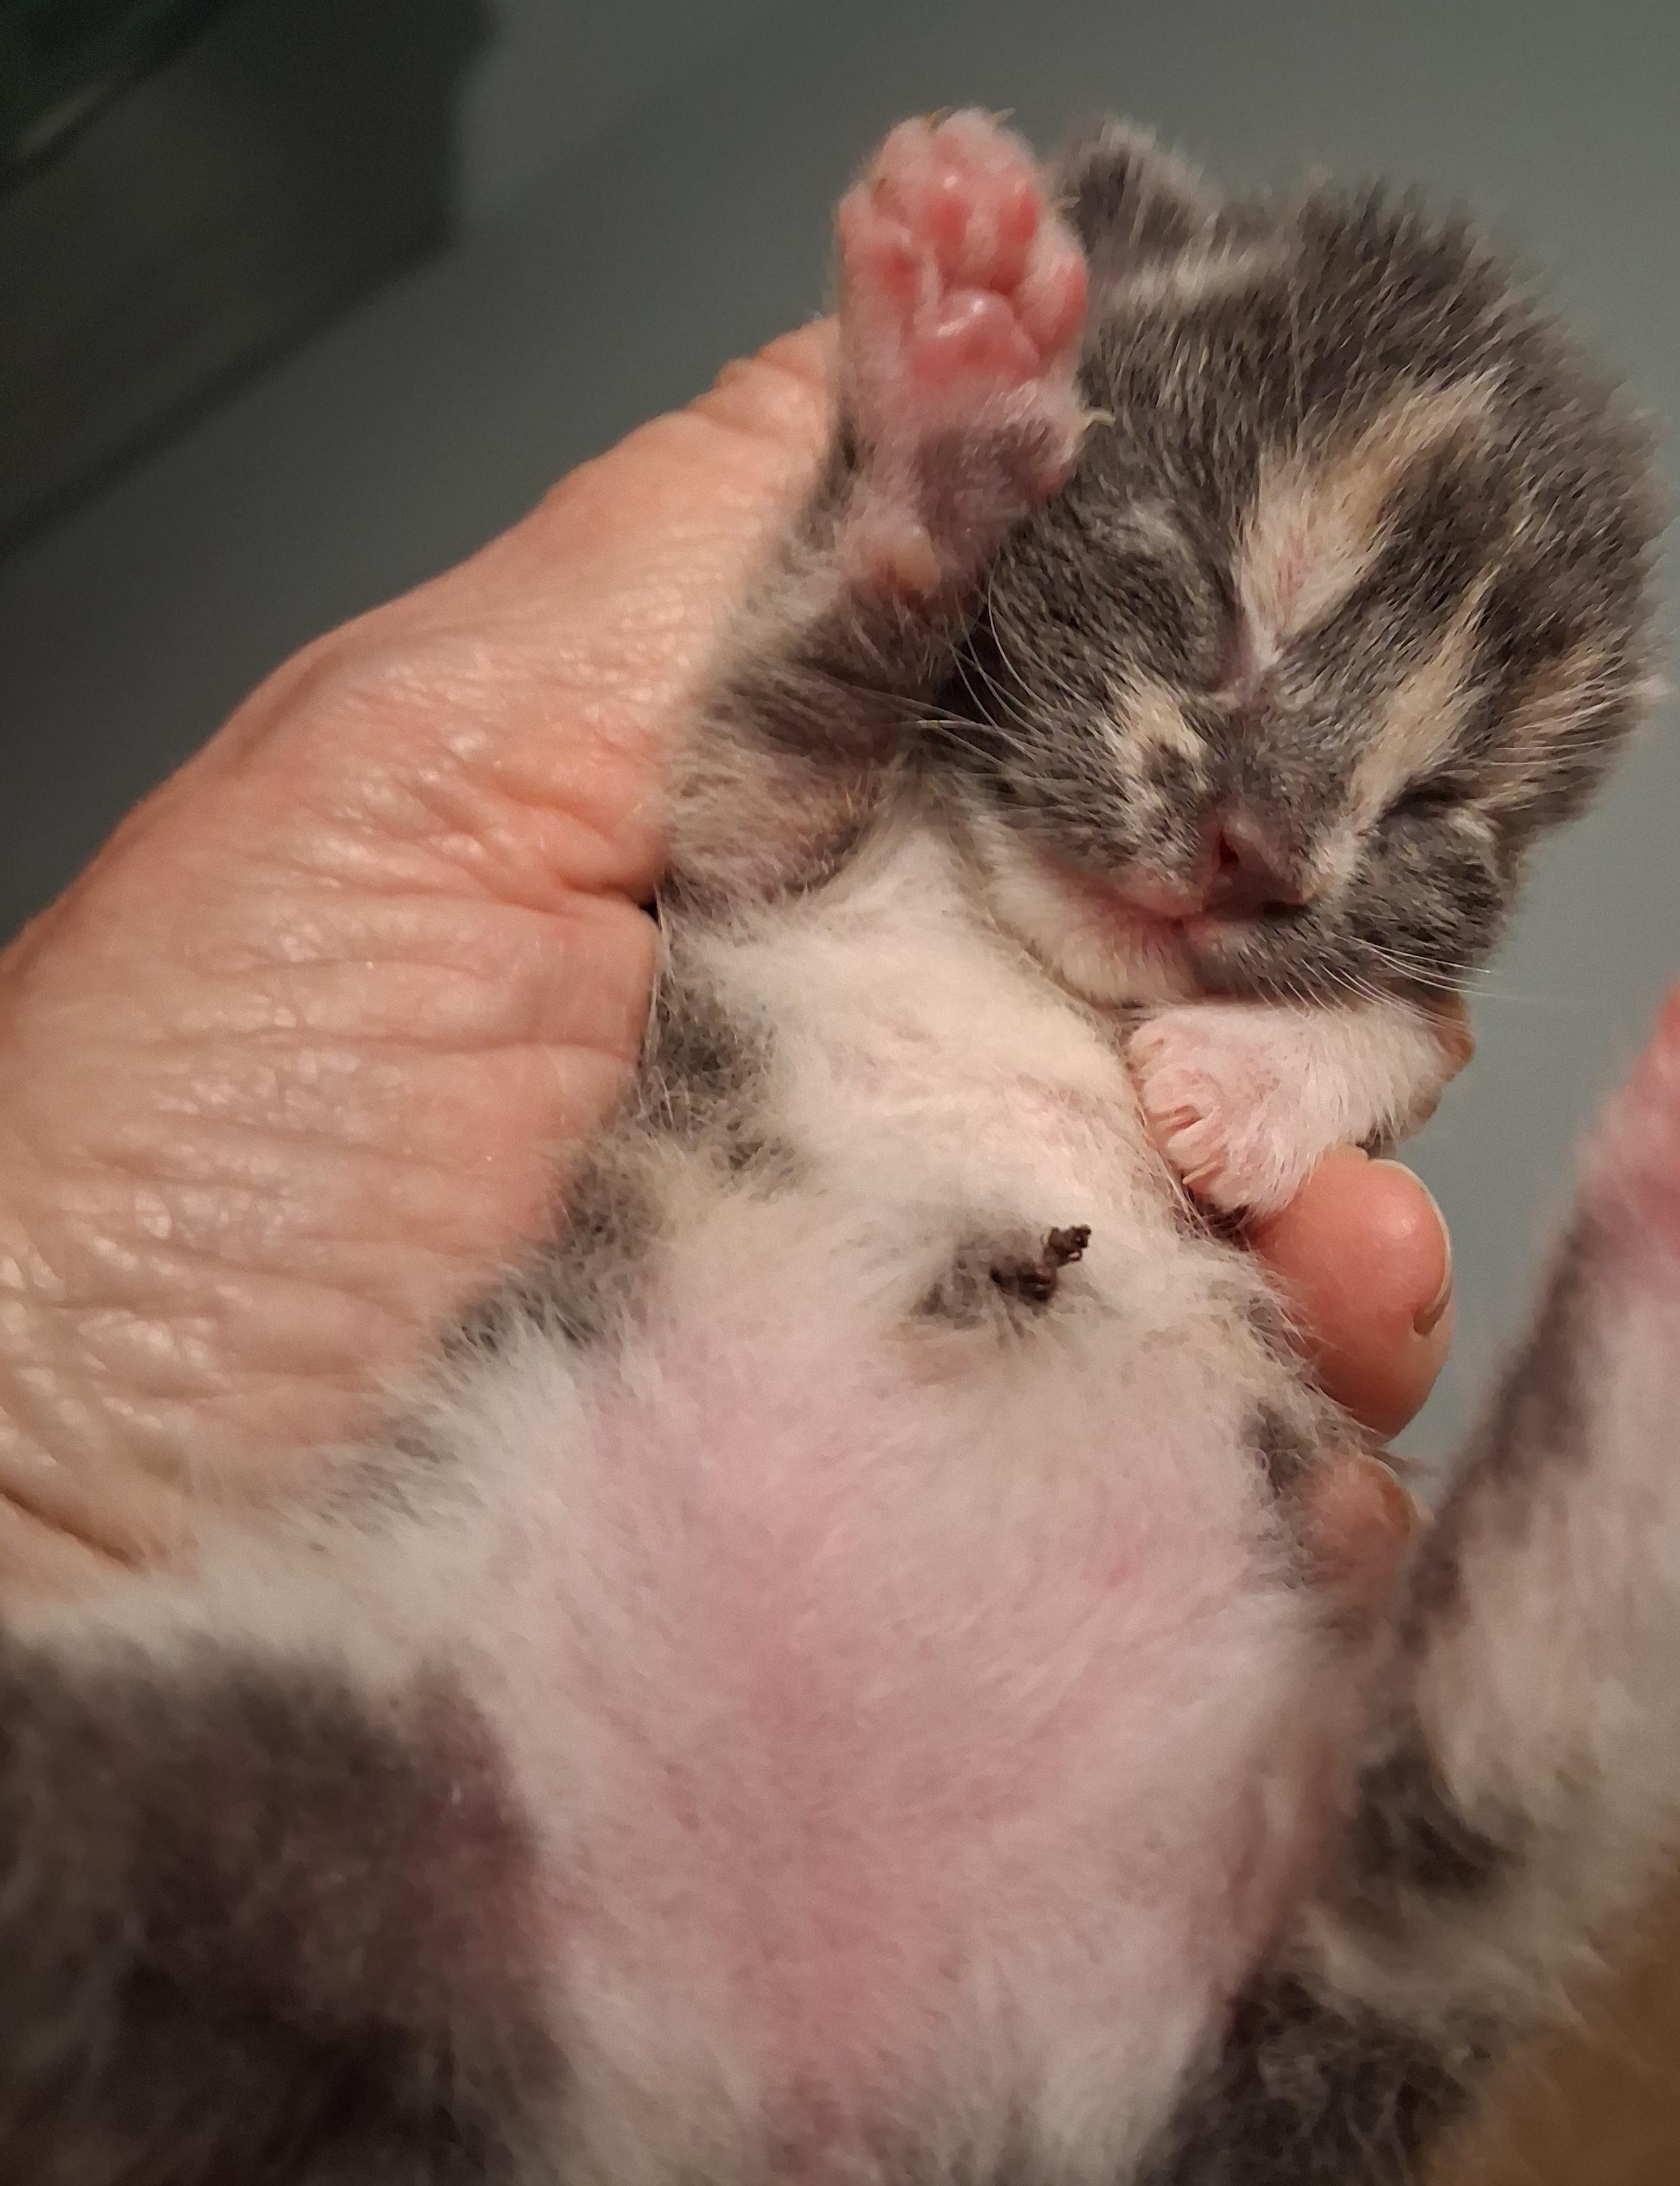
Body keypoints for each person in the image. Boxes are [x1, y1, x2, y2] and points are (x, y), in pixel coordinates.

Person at [0, 324, 1454, 1602]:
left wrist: (1346, 1048)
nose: (1282, 845)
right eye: (1228, 632)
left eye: (1432, 811)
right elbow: (751, 817)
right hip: (579, 1479)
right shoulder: (872, 782)